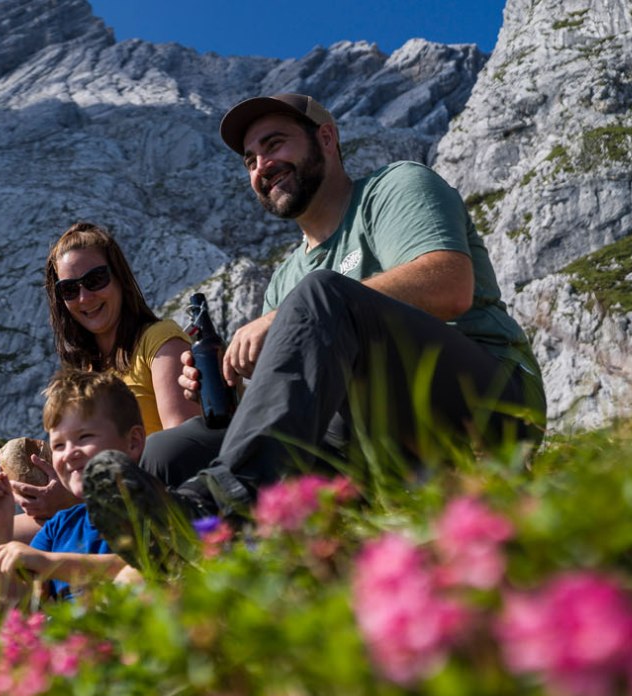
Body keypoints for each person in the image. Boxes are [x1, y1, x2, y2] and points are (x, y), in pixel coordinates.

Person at [89, 92, 546, 568]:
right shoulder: (284, 280)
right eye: (250, 159)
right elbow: (295, 400)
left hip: (485, 399)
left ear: (325, 138)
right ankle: (187, 569)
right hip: (363, 433)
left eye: (274, 144)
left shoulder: (394, 188)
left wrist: (292, 316)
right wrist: (230, 381)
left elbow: (451, 283)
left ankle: (219, 506)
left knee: (321, 292)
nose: (262, 165)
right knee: (171, 450)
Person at [10, 223, 203, 525]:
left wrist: (76, 496)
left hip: (157, 508)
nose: (85, 298)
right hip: (96, 505)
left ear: (120, 280)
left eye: (96, 280)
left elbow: (181, 454)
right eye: (70, 289)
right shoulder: (86, 371)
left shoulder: (160, 339)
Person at [0, 370, 145, 607]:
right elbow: (3, 604)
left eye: (84, 437)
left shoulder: (154, 505)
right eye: (58, 445)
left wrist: (51, 563)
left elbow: (149, 568)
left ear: (133, 442)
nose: (69, 453)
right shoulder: (59, 527)